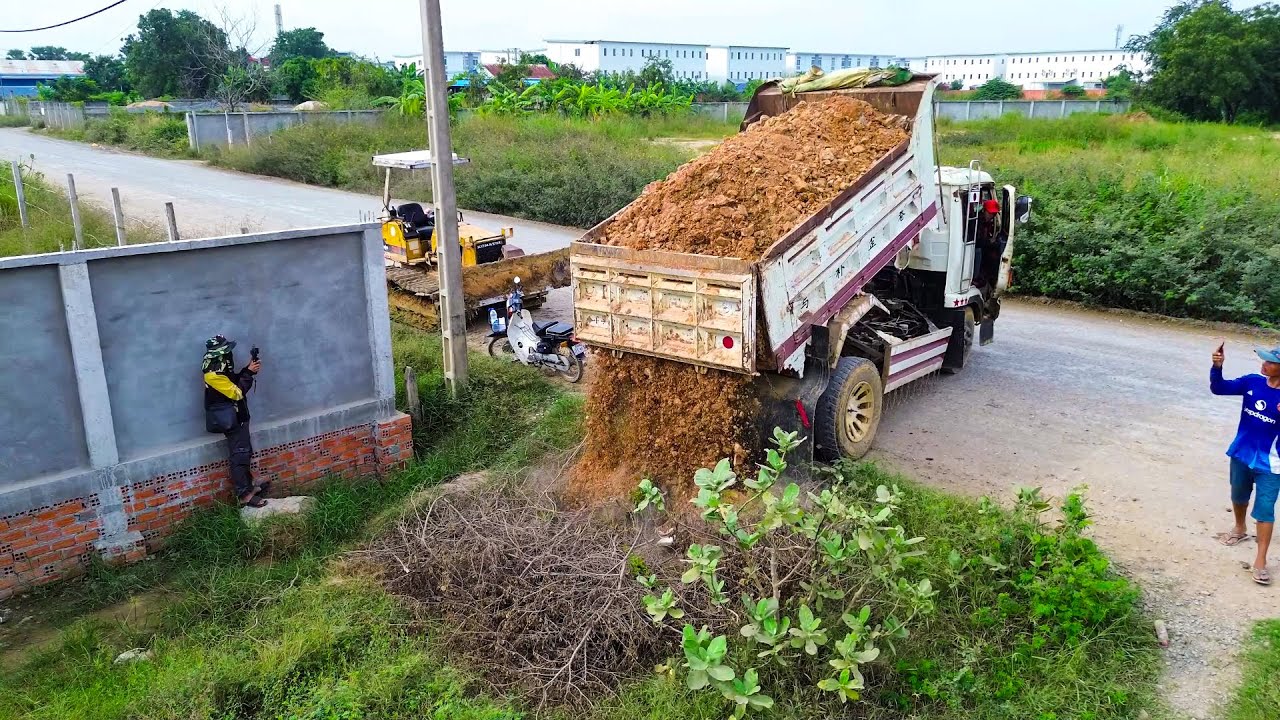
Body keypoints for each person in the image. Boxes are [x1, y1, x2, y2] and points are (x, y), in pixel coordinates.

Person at [1210, 342, 1280, 586]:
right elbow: (1218, 389)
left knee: (1265, 510)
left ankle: (1260, 561)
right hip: (1241, 453)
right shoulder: (1253, 381)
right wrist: (1217, 367)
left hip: (1272, 464)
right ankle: (1239, 528)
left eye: (1270, 362)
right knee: (1238, 495)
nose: (1264, 363)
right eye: (1264, 359)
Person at [202, 335, 266, 507]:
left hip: (238, 416)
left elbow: (234, 381)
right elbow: (236, 392)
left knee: (245, 452)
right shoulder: (213, 374)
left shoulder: (220, 368)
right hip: (230, 419)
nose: (229, 355)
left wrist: (247, 370)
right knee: (239, 455)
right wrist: (249, 374)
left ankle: (250, 487)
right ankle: (243, 494)